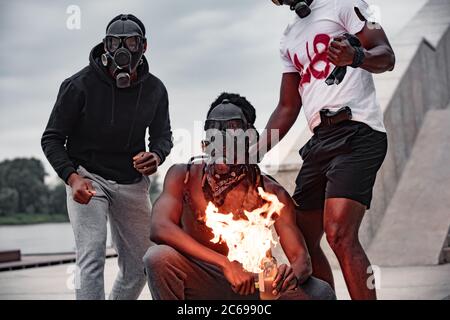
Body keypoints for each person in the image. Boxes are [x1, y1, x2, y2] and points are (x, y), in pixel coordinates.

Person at [258, 0, 395, 299]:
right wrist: (254, 151)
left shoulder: (345, 4)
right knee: (303, 239)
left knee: (340, 233)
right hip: (319, 141)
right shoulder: (289, 36)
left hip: (358, 131)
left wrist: (356, 55)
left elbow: (387, 57)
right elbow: (287, 106)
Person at [143, 93, 335, 300]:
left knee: (320, 293)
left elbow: (301, 259)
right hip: (202, 279)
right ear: (205, 145)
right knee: (157, 258)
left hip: (254, 284)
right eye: (216, 145)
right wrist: (226, 264)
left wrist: (290, 275)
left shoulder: (271, 193)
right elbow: (159, 228)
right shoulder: (184, 176)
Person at [41, 14, 173, 300]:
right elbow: (51, 138)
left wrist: (157, 155)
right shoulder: (78, 85)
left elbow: (163, 136)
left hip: (132, 183)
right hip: (87, 178)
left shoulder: (155, 89)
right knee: (92, 256)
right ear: (105, 46)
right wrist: (72, 178)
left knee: (143, 264)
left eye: (131, 43)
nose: (122, 50)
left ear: (144, 47)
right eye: (114, 43)